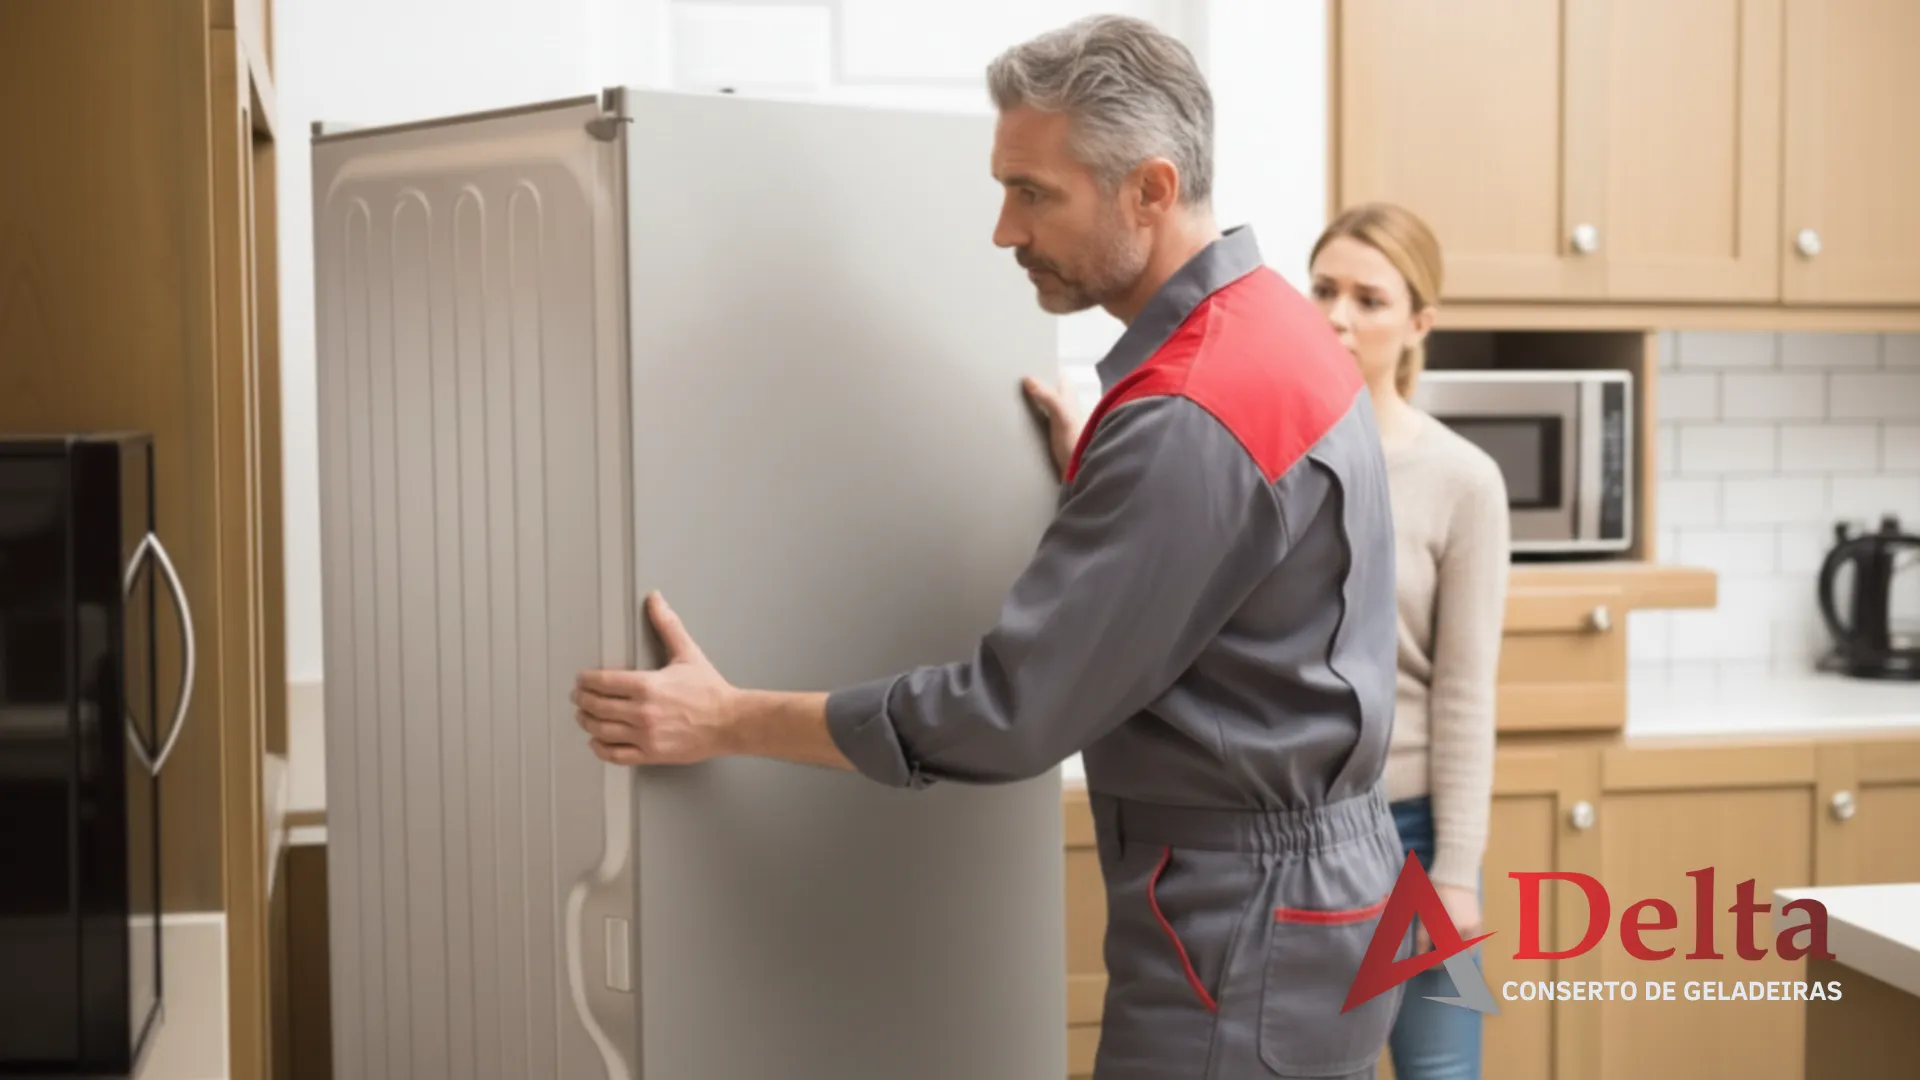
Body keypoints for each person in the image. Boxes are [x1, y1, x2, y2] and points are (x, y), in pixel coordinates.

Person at [573, 15, 1407, 1079]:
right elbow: (1251, 553)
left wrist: (728, 718)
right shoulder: (1272, 328)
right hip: (1326, 894)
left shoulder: (1188, 424)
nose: (1004, 231)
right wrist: (1118, 487)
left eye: (1034, 192)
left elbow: (1009, 716)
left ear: (1149, 190)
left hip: (1246, 928)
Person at [1307, 202, 1511, 1080]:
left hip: (1414, 833)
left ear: (1419, 322)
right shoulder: (1269, 457)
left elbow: (1465, 691)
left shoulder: (1464, 479)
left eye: (1368, 298)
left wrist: (1456, 871)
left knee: (1441, 1072)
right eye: (1321, 290)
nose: (1336, 317)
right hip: (1302, 835)